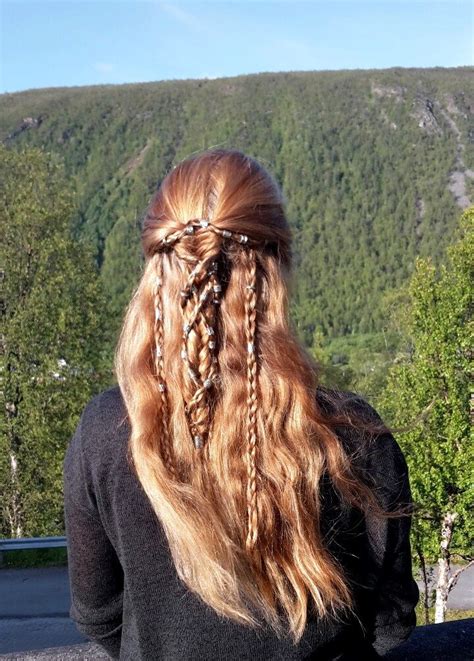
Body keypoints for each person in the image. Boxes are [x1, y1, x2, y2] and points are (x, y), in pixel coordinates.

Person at [63, 147, 419, 661]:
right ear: (277, 272)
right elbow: (390, 624)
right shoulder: (355, 434)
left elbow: (98, 614)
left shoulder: (104, 430)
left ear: (157, 272)